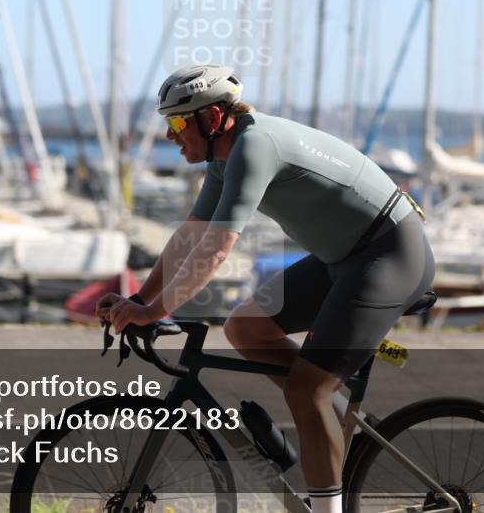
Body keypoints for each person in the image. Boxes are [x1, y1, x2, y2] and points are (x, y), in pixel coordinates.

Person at [96, 64, 435, 513]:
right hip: (345, 259)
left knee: (305, 389)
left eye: (178, 123)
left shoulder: (255, 145)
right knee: (247, 329)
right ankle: (336, 421)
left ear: (213, 119)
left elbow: (217, 251)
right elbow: (190, 237)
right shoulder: (224, 159)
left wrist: (155, 312)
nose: (170, 136)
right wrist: (141, 299)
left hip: (390, 255)